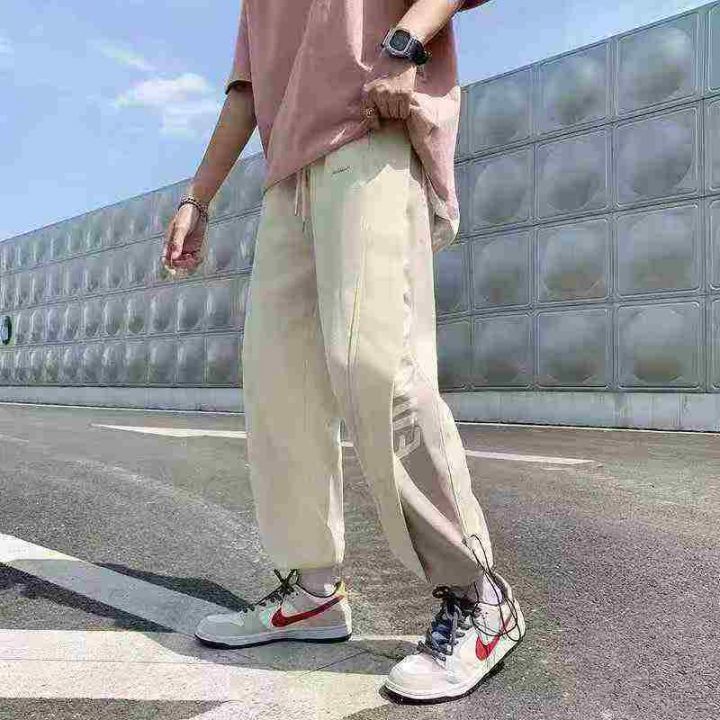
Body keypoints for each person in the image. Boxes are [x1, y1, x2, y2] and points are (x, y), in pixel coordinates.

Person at [161, 0, 526, 703]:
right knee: (280, 387)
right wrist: (197, 198)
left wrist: (405, 42)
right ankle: (314, 592)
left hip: (369, 135)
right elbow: (248, 89)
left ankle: (479, 596)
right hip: (287, 178)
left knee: (378, 369)